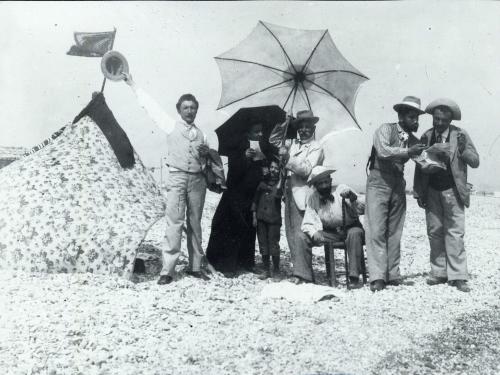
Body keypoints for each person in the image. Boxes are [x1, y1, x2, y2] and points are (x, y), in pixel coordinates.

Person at [123, 73, 210, 285]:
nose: (190, 111)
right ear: (179, 110)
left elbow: (207, 163)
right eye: (186, 108)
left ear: (196, 110)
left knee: (195, 223)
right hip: (177, 178)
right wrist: (133, 84)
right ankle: (168, 270)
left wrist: (206, 155)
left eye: (193, 108)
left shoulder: (202, 135)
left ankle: (195, 267)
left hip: (198, 181)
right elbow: (150, 108)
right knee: (174, 223)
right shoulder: (170, 125)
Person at [413, 99, 479, 293]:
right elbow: (419, 165)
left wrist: (462, 150)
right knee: (434, 231)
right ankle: (439, 272)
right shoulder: (426, 136)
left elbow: (475, 161)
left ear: (450, 120)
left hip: (453, 190)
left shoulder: (460, 135)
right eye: (436, 119)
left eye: (443, 120)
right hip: (432, 189)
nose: (439, 123)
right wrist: (418, 192)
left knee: (455, 233)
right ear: (433, 118)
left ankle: (458, 276)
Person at [365, 96, 427, 292]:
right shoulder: (385, 129)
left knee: (395, 230)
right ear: (400, 116)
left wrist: (438, 156)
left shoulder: (414, 141)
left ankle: (392, 274)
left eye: (417, 118)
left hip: (398, 183)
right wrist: (409, 152)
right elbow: (383, 151)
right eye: (412, 117)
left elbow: (425, 162)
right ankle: (377, 277)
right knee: (376, 230)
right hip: (378, 181)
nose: (415, 122)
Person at [206, 123, 266, 277]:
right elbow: (233, 173)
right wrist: (244, 158)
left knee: (248, 230)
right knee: (230, 228)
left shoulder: (261, 148)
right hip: (235, 196)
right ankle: (226, 265)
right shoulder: (237, 148)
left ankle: (246, 262)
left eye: (261, 131)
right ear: (248, 133)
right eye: (256, 131)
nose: (260, 134)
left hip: (250, 195)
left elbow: (262, 171)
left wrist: (262, 165)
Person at [279, 110, 324, 284]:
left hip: (304, 192)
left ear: (313, 128)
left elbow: (306, 169)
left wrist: (288, 158)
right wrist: (285, 123)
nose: (304, 130)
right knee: (290, 231)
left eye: (307, 127)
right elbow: (275, 140)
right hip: (289, 190)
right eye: (301, 126)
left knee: (300, 232)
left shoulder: (316, 147)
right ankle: (298, 271)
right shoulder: (293, 145)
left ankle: (303, 274)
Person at [301, 166, 365, 289]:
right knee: (303, 237)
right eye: (320, 184)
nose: (324, 186)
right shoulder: (313, 198)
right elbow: (307, 222)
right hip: (330, 233)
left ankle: (354, 277)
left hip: (350, 228)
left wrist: (352, 198)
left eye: (326, 182)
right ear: (315, 186)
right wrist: (314, 232)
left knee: (355, 233)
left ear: (330, 181)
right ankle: (305, 275)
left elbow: (362, 208)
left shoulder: (341, 188)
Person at [251, 159, 283, 280]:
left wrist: (281, 180)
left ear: (280, 170)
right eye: (272, 167)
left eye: (276, 168)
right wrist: (254, 216)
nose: (273, 170)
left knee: (273, 244)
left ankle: (276, 270)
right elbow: (255, 200)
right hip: (261, 218)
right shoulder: (262, 183)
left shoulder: (280, 185)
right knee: (263, 243)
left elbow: (279, 195)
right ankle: (266, 270)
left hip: (274, 219)